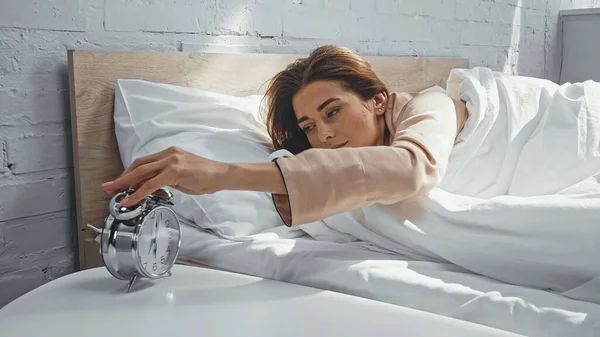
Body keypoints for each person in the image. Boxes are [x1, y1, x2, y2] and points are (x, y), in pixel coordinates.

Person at [101, 45, 468, 227]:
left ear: (377, 100)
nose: (322, 135)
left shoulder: (431, 104)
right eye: (308, 126)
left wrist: (221, 175)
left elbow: (413, 168)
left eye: (333, 111)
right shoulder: (330, 168)